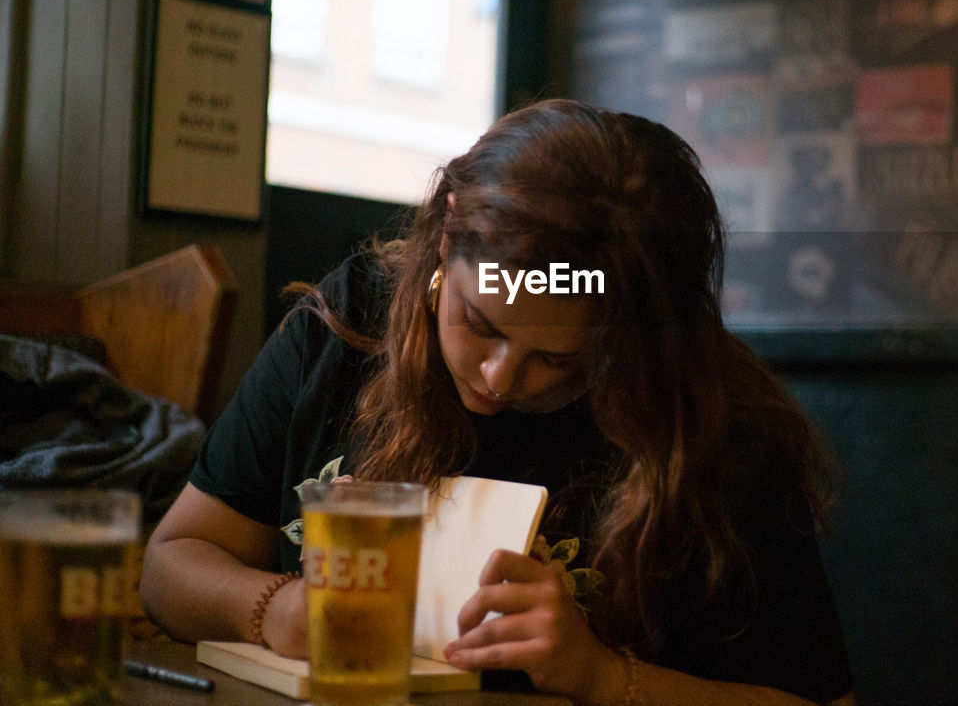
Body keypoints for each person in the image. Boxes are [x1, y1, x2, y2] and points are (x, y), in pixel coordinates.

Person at [141, 99, 857, 706]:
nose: (499, 377)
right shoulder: (355, 317)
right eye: (478, 322)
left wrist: (603, 674)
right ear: (447, 229)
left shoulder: (714, 422)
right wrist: (277, 610)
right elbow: (170, 563)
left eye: (558, 359)